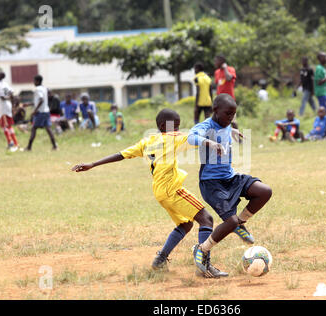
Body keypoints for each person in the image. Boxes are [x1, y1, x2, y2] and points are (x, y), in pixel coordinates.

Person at [72, 108, 227, 278]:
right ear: (164, 126)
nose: (177, 130)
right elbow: (192, 137)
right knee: (207, 219)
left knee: (186, 224)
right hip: (172, 189)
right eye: (175, 126)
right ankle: (204, 266)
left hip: (159, 191)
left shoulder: (147, 142)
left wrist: (93, 164)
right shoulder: (172, 138)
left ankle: (160, 259)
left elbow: (121, 154)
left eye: (178, 126)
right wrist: (214, 140)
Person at [188, 94, 272, 276]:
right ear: (215, 110)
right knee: (229, 221)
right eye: (228, 114)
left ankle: (240, 224)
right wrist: (209, 142)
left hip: (230, 177)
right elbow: (191, 137)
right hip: (211, 183)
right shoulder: (206, 126)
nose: (231, 118)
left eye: (233, 114)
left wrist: (232, 131)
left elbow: (224, 128)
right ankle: (202, 249)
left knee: (264, 192)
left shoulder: (226, 124)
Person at [24, 75, 57, 151]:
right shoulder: (44, 88)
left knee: (34, 128)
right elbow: (40, 100)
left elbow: (41, 100)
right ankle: (55, 146)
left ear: (37, 81)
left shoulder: (37, 89)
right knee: (48, 129)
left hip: (40, 112)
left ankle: (29, 147)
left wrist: (35, 110)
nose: (33, 82)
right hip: (46, 111)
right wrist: (29, 104)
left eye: (34, 81)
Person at [0, 72, 19, 150]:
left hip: (3, 107)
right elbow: (11, 93)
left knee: (4, 125)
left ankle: (10, 142)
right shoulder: (6, 84)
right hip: (8, 105)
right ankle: (16, 143)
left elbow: (2, 97)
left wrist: (6, 98)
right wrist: (12, 103)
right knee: (9, 126)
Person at [214, 55, 239, 130]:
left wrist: (225, 68)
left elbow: (228, 78)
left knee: (233, 121)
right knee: (218, 121)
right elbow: (218, 85)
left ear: (222, 61)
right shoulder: (217, 72)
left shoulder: (230, 69)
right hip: (220, 101)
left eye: (216, 61)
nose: (215, 63)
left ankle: (238, 139)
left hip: (229, 100)